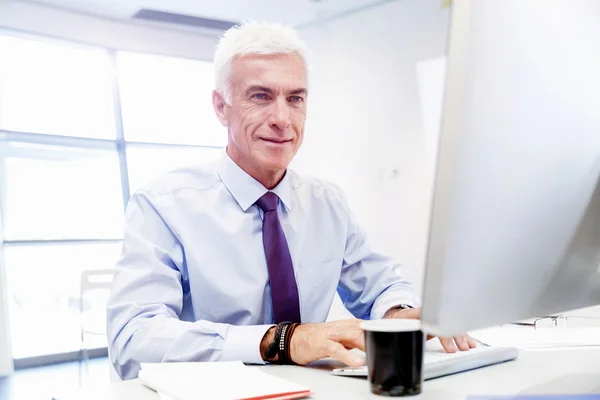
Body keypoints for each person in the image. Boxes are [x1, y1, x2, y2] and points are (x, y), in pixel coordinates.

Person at [106, 21, 475, 380]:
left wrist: (396, 314)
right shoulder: (162, 205)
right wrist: (280, 341)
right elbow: (132, 340)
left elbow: (380, 283)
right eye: (260, 96)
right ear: (221, 107)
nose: (282, 119)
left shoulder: (327, 203)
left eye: (295, 98)